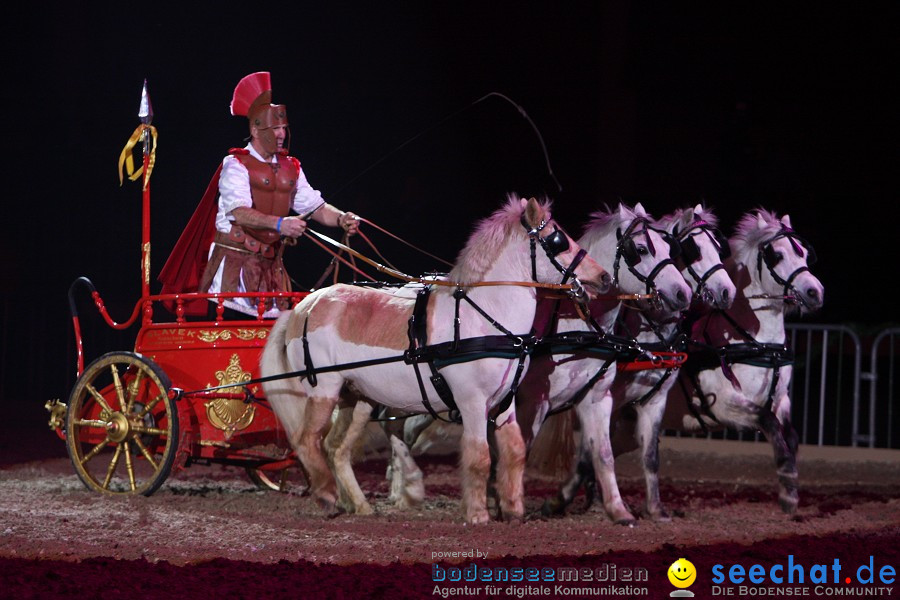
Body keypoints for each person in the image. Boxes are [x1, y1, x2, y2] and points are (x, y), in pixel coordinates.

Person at [159, 71, 358, 318]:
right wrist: (279, 224)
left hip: (270, 268)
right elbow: (238, 212)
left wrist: (341, 218)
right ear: (255, 129)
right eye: (275, 128)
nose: (282, 134)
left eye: (284, 128)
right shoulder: (236, 164)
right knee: (233, 335)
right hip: (235, 266)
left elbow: (315, 207)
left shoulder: (291, 167)